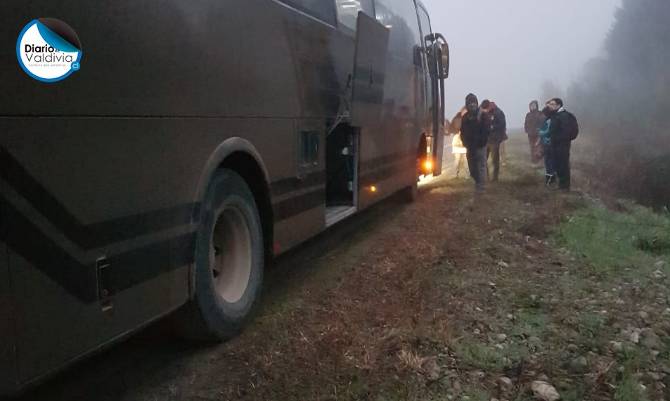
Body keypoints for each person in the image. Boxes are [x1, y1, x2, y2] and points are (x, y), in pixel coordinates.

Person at [460, 94, 490, 191]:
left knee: (481, 166)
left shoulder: (483, 115)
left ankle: (481, 187)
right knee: (472, 169)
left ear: (477, 103)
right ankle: (478, 182)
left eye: (474, 103)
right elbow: (462, 132)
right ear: (467, 105)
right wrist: (465, 143)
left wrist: (482, 142)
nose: (472, 105)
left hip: (481, 146)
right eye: (470, 103)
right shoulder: (465, 118)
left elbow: (486, 130)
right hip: (470, 147)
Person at [546, 98, 575, 191]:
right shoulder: (555, 115)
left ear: (558, 105)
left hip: (562, 145)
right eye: (549, 104)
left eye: (552, 104)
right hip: (555, 144)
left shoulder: (564, 116)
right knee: (558, 164)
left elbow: (566, 132)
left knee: (563, 164)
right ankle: (561, 185)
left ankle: (565, 187)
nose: (550, 106)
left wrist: (559, 139)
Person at [481, 100, 507, 181]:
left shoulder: (498, 112)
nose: (485, 111)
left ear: (489, 107)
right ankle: (486, 177)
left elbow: (502, 124)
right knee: (483, 159)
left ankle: (495, 178)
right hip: (485, 140)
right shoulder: (482, 112)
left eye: (486, 110)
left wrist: (493, 127)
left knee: (494, 160)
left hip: (494, 140)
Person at [448, 107, 468, 178]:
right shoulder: (457, 119)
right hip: (457, 142)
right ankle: (455, 174)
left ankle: (467, 175)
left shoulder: (467, 119)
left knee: (466, 160)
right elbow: (451, 128)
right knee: (457, 160)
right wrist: (457, 132)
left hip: (465, 143)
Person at [538, 105, 556, 186]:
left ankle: (551, 179)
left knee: (550, 162)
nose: (543, 115)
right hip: (546, 144)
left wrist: (540, 132)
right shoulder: (546, 120)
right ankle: (549, 179)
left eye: (544, 114)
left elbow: (548, 132)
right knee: (547, 162)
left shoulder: (550, 121)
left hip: (550, 144)